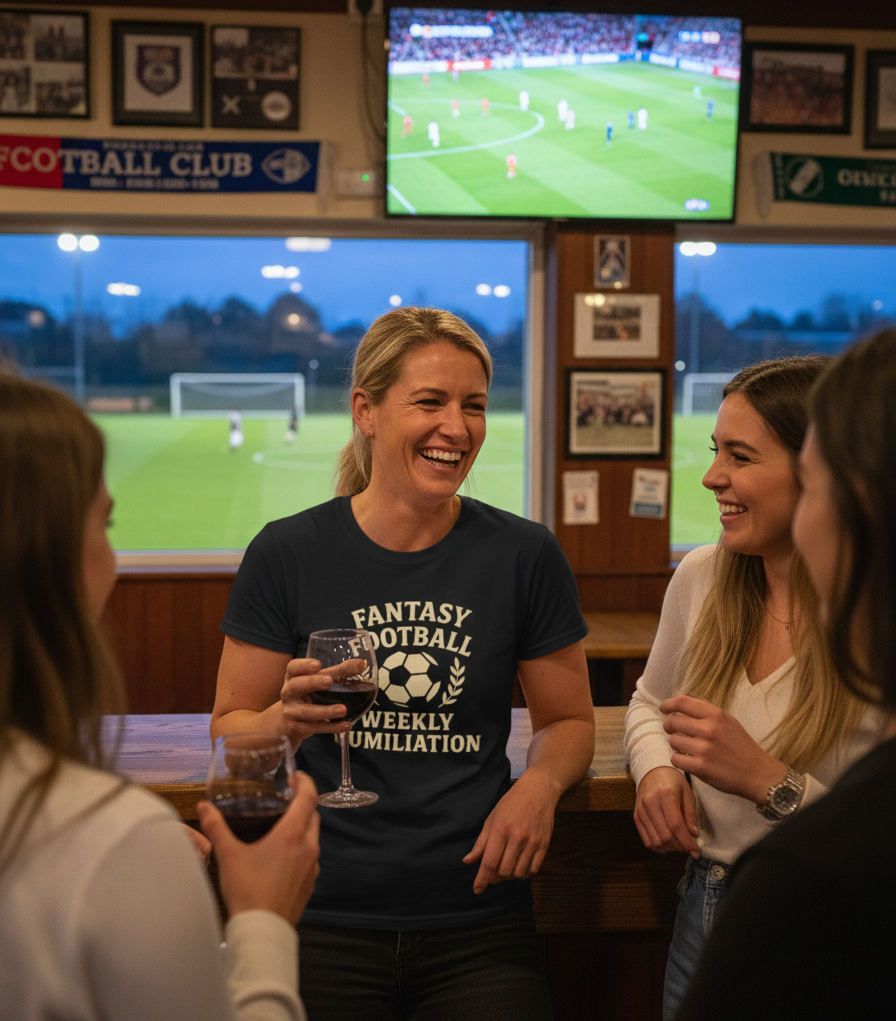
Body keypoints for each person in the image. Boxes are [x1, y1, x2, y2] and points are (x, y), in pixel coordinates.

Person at [212, 306, 595, 1021]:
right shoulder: (287, 552)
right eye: (430, 401)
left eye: (474, 405)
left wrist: (539, 784)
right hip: (321, 909)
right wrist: (282, 723)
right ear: (367, 411)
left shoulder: (525, 554)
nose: (457, 426)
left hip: (479, 916)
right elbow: (232, 735)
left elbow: (569, 718)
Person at [0, 373, 321, 1021]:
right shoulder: (102, 838)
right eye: (104, 523)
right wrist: (261, 917)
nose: (113, 558)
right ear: (51, 558)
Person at [624, 357, 877, 1021]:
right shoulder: (705, 574)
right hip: (701, 904)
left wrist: (771, 781)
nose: (711, 477)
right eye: (716, 451)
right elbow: (650, 702)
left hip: (834, 923)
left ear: (819, 469)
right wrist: (655, 772)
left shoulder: (872, 621)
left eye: (740, 455)